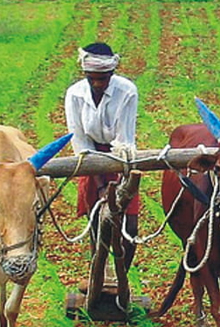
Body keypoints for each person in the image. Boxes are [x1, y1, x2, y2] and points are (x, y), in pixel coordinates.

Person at [64, 42, 140, 277]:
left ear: (112, 74)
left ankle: (121, 279)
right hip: (90, 159)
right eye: (93, 78)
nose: (98, 84)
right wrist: (99, 187)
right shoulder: (75, 94)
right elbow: (81, 142)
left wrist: (117, 187)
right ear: (86, 75)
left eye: (103, 79)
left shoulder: (127, 91)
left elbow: (124, 140)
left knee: (129, 227)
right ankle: (99, 275)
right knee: (98, 221)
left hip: (121, 157)